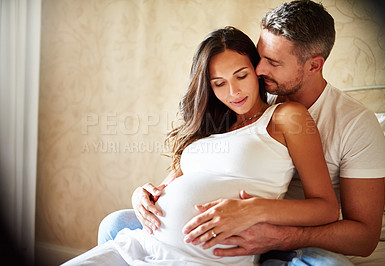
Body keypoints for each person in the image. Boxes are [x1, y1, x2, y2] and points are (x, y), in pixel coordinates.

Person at [98, 1, 385, 265]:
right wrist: (147, 195)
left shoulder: (353, 124)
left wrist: (274, 233)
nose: (258, 69)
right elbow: (185, 174)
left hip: (289, 235)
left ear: (314, 65)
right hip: (186, 236)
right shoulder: (245, 102)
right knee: (115, 223)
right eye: (259, 57)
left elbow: (362, 236)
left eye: (272, 63)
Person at [65, 26, 341, 265]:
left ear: (256, 70)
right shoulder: (208, 125)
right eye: (219, 83)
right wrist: (142, 196)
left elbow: (325, 208)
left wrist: (254, 209)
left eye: (241, 76)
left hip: (204, 259)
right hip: (139, 247)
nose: (233, 92)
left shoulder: (285, 117)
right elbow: (169, 187)